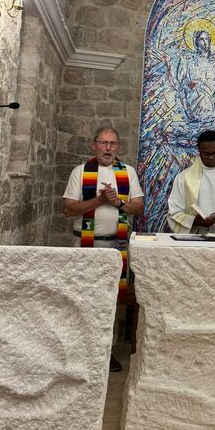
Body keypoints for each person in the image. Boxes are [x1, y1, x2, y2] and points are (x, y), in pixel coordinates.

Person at [63, 126, 144, 372]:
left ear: (118, 147)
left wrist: (117, 201)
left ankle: (106, 353)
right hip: (86, 245)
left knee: (111, 301)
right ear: (94, 145)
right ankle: (80, 353)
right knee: (82, 298)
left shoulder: (127, 172)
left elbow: (138, 208)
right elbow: (68, 209)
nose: (108, 148)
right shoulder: (80, 172)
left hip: (116, 246)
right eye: (103, 143)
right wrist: (99, 200)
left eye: (112, 144)